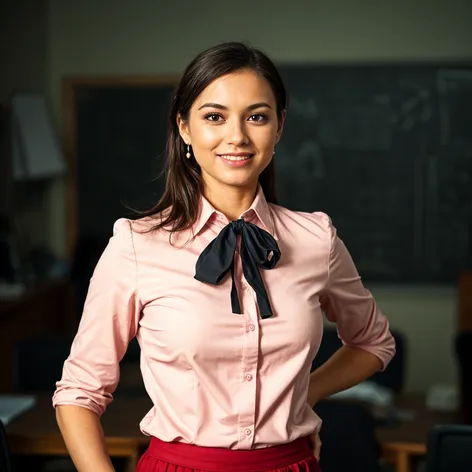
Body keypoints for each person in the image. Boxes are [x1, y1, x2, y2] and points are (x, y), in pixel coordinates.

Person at [53, 41, 396, 472]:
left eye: (256, 116)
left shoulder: (316, 239)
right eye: (214, 116)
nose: (237, 136)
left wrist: (305, 391)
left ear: (279, 127)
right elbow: (79, 393)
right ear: (184, 128)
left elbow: (373, 342)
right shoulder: (135, 246)